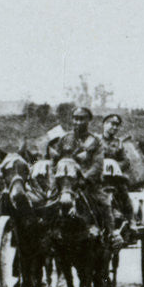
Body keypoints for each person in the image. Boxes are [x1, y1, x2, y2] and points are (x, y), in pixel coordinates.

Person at [49, 106, 120, 247]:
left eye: (82, 119)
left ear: (89, 121)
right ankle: (49, 235)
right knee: (48, 204)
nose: (78, 122)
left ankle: (112, 235)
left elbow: (97, 165)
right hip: (66, 184)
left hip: (88, 184)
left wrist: (84, 178)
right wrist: (56, 179)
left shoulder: (96, 141)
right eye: (75, 118)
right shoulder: (64, 139)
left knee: (105, 203)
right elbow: (54, 161)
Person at [101, 113, 140, 239]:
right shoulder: (96, 141)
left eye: (117, 125)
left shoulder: (118, 143)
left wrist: (114, 165)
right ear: (104, 124)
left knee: (123, 191)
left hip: (114, 177)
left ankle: (131, 220)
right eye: (112, 124)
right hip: (99, 176)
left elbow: (126, 161)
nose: (114, 127)